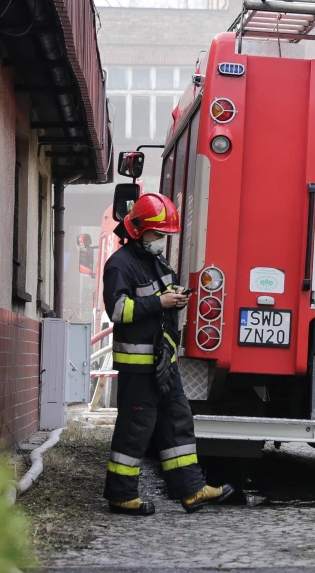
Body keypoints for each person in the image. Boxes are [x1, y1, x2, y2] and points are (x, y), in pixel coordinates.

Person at [102, 191, 233, 516]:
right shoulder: (120, 265)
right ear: (138, 230)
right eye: (157, 234)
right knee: (136, 429)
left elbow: (161, 295)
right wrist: (158, 303)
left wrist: (174, 295)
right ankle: (121, 496)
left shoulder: (155, 262)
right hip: (138, 365)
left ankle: (191, 490)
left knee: (178, 421)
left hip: (163, 361)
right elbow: (117, 310)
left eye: (165, 235)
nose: (161, 240)